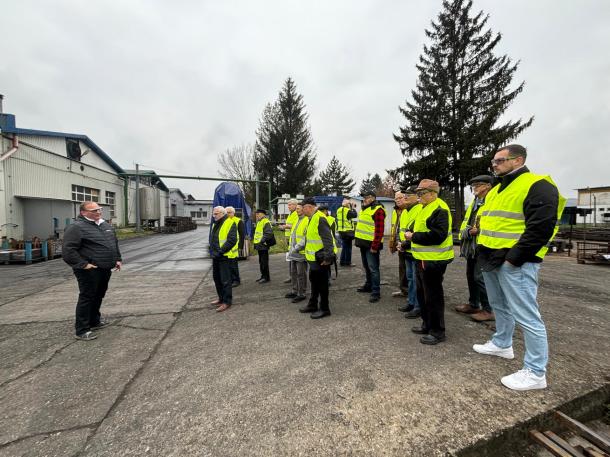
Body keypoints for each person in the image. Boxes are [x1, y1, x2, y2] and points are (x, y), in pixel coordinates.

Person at [473, 144, 565, 391]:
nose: (494, 165)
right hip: (491, 258)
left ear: (518, 160)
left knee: (527, 315)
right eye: (493, 162)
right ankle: (502, 344)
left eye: (500, 161)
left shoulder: (538, 184)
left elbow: (542, 227)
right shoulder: (496, 190)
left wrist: (514, 259)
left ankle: (536, 372)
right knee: (499, 305)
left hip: (515, 262)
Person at [402, 179, 454, 345]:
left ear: (433, 193)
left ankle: (437, 332)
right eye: (418, 193)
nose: (419, 196)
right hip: (422, 258)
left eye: (422, 193)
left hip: (434, 260)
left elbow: (438, 236)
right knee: (422, 294)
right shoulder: (425, 208)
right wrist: (407, 243)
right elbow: (422, 232)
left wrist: (413, 236)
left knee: (433, 296)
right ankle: (427, 324)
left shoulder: (439, 209)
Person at [62, 201, 122, 341]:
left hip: (105, 267)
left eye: (99, 209)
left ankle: (94, 321)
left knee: (99, 295)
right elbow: (68, 250)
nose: (98, 212)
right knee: (87, 297)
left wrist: (117, 259)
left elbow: (114, 243)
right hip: (89, 270)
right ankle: (82, 329)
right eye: (94, 210)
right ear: (83, 212)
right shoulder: (76, 227)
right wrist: (83, 264)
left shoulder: (105, 225)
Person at [455, 176, 494, 322]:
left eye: (478, 185)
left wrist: (479, 230)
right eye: (473, 186)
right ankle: (474, 304)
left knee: (480, 277)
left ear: (488, 186)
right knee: (471, 275)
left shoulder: (491, 201)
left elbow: (493, 222)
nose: (475, 188)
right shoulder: (475, 202)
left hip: (484, 244)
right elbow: (469, 221)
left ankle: (488, 309)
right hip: (471, 245)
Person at [294, 197, 335, 319]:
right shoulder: (311, 219)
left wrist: (327, 259)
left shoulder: (320, 219)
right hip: (313, 260)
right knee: (314, 283)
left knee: (322, 285)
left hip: (321, 260)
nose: (301, 209)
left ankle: (324, 308)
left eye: (303, 207)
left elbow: (328, 240)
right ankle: (313, 304)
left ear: (309, 207)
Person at [355, 191, 386, 303]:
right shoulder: (365, 208)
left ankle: (376, 292)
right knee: (367, 267)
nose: (364, 199)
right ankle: (368, 285)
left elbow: (379, 230)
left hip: (371, 246)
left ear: (373, 198)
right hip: (363, 244)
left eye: (367, 197)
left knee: (373, 269)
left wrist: (375, 246)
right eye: (364, 197)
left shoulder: (378, 210)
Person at [397, 186, 422, 318]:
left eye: (408, 194)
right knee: (411, 279)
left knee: (416, 280)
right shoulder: (405, 211)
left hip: (415, 251)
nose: (405, 196)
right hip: (406, 250)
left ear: (416, 196)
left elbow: (416, 232)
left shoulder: (419, 209)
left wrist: (405, 244)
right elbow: (401, 230)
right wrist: (399, 243)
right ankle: (411, 302)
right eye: (404, 194)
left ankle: (418, 306)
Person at [209, 206, 238, 312]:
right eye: (213, 214)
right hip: (216, 256)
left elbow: (232, 240)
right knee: (216, 278)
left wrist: (220, 252)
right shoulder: (216, 223)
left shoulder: (230, 223)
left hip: (224, 256)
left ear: (222, 213)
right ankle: (221, 299)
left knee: (225, 280)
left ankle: (227, 302)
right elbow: (213, 239)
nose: (214, 215)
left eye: (216, 214)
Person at [285, 203, 309, 303]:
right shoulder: (296, 220)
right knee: (293, 273)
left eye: (299, 209)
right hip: (293, 252)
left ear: (303, 209)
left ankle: (301, 293)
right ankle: (294, 291)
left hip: (301, 253)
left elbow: (305, 238)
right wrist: (291, 249)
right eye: (297, 209)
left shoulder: (307, 220)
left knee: (301, 274)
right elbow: (293, 236)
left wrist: (296, 248)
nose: (297, 210)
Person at [389, 191, 408, 298]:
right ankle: (404, 290)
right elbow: (395, 228)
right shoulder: (395, 211)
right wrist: (393, 243)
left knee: (410, 272)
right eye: (396, 199)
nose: (398, 200)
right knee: (402, 268)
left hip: (408, 245)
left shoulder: (409, 210)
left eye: (400, 198)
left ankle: (412, 294)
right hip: (399, 245)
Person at [279, 199, 299, 284]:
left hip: (294, 240)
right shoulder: (290, 214)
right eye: (288, 205)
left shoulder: (296, 214)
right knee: (290, 258)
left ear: (295, 205)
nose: (288, 206)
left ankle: (294, 277)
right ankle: (292, 276)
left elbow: (295, 225)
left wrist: (285, 226)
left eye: (290, 205)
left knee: (294, 259)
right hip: (289, 239)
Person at [225, 206, 244, 287]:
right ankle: (231, 280)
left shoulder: (238, 221)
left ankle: (236, 280)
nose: (228, 214)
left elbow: (241, 234)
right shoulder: (225, 221)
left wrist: (240, 247)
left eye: (229, 212)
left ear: (233, 213)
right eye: (227, 213)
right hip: (226, 247)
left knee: (233, 265)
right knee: (227, 266)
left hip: (234, 248)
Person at [253, 208, 274, 283]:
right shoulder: (260, 222)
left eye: (258, 214)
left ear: (263, 214)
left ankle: (266, 277)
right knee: (261, 262)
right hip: (260, 245)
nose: (257, 215)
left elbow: (269, 233)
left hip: (263, 245)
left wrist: (261, 241)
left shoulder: (265, 221)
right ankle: (263, 276)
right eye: (256, 214)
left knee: (264, 262)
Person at [336, 198, 357, 266]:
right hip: (347, 232)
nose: (349, 205)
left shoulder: (339, 210)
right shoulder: (347, 211)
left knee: (344, 247)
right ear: (347, 204)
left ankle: (342, 262)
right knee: (348, 248)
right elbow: (355, 215)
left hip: (341, 231)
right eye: (349, 204)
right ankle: (348, 262)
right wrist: (353, 208)